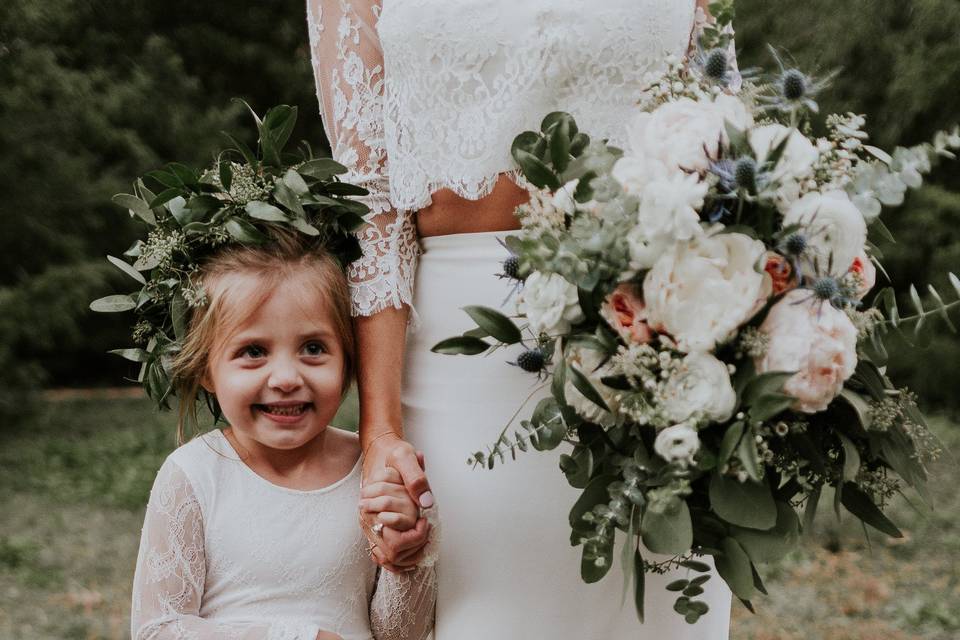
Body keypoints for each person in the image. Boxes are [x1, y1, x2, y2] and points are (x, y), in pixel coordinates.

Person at [307, 1, 736, 637]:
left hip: (663, 343)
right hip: (464, 362)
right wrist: (381, 433)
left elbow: (728, 153)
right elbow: (370, 208)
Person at [130, 232, 437, 640]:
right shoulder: (193, 475)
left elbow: (400, 636)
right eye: (253, 352)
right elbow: (157, 630)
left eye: (313, 347)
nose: (287, 378)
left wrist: (407, 559)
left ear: (348, 361)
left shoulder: (375, 475)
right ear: (206, 369)